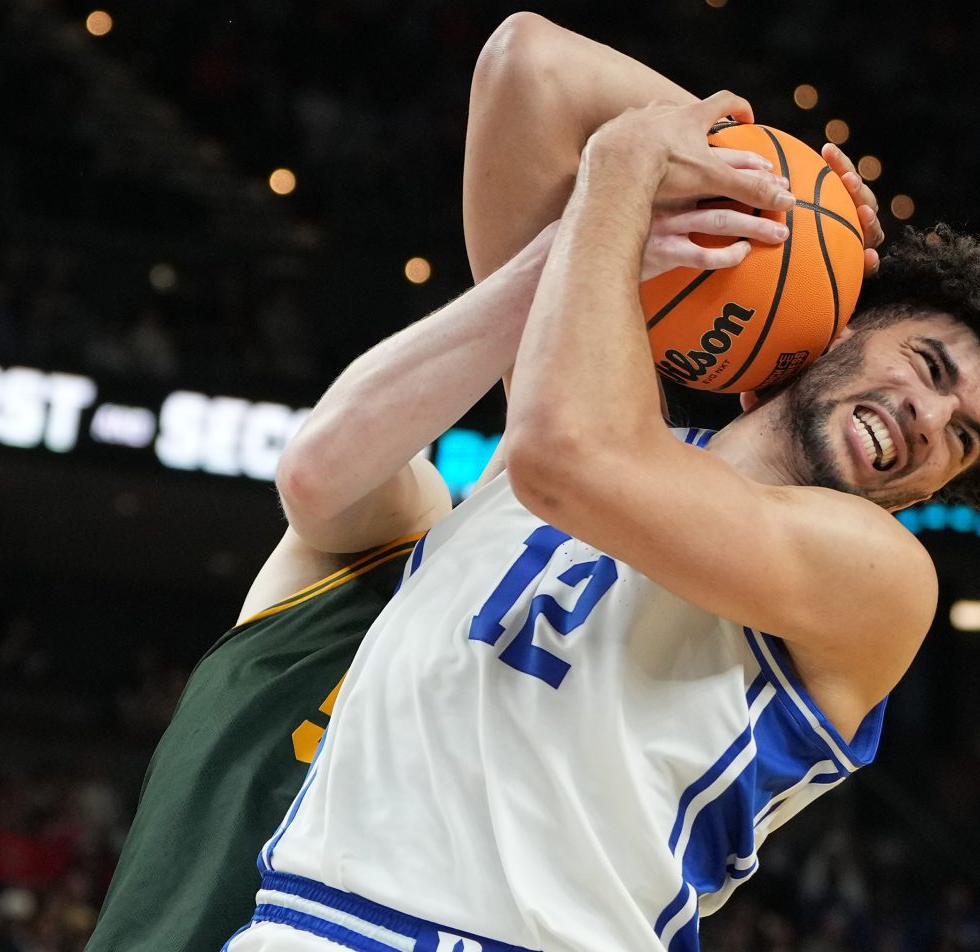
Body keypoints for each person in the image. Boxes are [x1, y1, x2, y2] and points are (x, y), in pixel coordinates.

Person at [225, 12, 980, 952]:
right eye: (928, 365)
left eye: (963, 437)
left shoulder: (877, 577)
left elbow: (569, 459)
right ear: (839, 324)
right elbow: (530, 66)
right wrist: (763, 177)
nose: (930, 419)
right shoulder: (586, 397)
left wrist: (627, 171)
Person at [89, 18, 881, 952]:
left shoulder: (642, 690)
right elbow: (530, 66)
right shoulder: (424, 527)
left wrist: (621, 206)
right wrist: (760, 183)